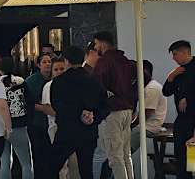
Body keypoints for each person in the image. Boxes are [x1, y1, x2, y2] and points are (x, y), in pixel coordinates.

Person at [50, 46, 109, 178]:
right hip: (88, 132)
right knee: (86, 170)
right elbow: (105, 105)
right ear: (83, 59)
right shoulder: (94, 80)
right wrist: (93, 116)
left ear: (66, 61)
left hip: (66, 131)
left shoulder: (59, 81)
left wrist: (78, 114)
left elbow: (57, 106)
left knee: (52, 166)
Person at [162, 40, 195, 179]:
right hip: (182, 120)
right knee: (181, 157)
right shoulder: (179, 71)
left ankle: (194, 174)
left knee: (194, 157)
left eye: (175, 54)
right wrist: (171, 77)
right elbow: (166, 91)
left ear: (184, 52)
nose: (173, 58)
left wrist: (188, 99)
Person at [92, 31, 137, 179]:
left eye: (96, 44)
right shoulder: (125, 61)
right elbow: (143, 78)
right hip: (127, 110)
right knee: (125, 154)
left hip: (112, 111)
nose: (95, 47)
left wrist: (104, 94)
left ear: (103, 43)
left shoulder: (104, 62)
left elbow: (96, 86)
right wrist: (133, 100)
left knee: (115, 156)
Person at [41, 56, 79, 179]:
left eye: (62, 69)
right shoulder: (49, 86)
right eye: (56, 69)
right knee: (61, 163)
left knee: (74, 161)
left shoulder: (72, 84)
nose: (59, 72)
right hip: (55, 126)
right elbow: (48, 108)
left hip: (73, 127)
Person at [130, 60, 167, 179]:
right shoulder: (148, 87)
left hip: (149, 126)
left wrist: (132, 124)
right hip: (147, 124)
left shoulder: (152, 88)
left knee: (124, 152)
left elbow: (147, 113)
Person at [0, 56, 34, 179]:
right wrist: (28, 120)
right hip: (19, 125)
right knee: (26, 163)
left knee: (5, 162)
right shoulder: (20, 82)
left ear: (0, 69)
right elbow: (30, 102)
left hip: (1, 126)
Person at [25, 54, 52, 179]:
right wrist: (44, 108)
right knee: (39, 153)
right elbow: (27, 102)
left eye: (49, 61)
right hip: (36, 122)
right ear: (39, 65)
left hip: (52, 122)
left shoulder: (54, 78)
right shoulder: (32, 81)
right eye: (44, 62)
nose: (47, 64)